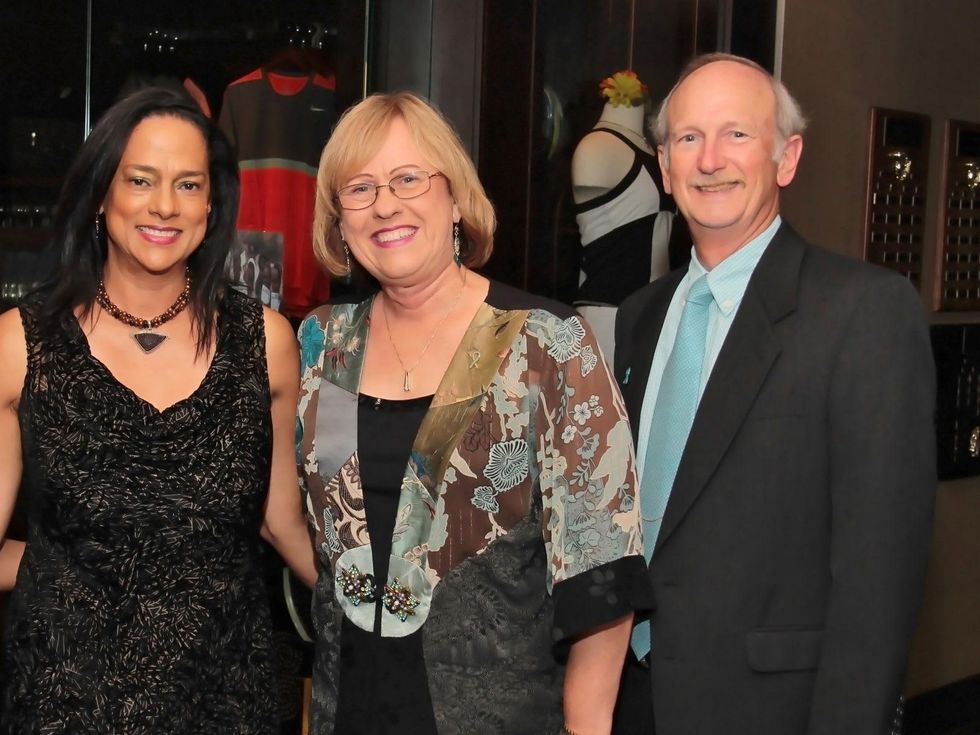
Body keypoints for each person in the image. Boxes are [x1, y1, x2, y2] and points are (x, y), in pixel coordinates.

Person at [297, 91, 652, 734]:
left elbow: (602, 569)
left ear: (455, 197)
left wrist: (587, 725)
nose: (385, 205)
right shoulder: (322, 345)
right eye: (360, 187)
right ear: (338, 221)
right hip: (344, 713)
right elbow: (320, 538)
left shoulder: (548, 344)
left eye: (409, 178)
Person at [612, 53, 937, 734]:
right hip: (632, 699)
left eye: (737, 134)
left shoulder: (863, 312)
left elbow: (877, 579)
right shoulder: (640, 317)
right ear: (665, 167)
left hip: (771, 711)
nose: (709, 160)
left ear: (786, 158)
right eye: (688, 139)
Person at [0, 87, 316, 732]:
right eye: (140, 180)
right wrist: (70, 568)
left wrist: (397, 614)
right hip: (66, 702)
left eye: (189, 185)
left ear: (212, 204)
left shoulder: (268, 343)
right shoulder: (18, 345)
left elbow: (281, 524)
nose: (165, 206)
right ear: (100, 195)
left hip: (227, 697)